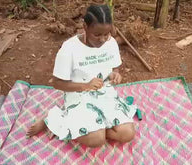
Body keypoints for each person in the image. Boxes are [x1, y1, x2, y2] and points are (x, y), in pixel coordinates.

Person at [27, 4, 137, 148]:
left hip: (104, 93)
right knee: (96, 140)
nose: (103, 39)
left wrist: (115, 74)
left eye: (107, 34)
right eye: (97, 34)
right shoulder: (69, 48)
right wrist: (85, 86)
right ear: (85, 27)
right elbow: (56, 83)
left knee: (127, 134)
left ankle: (97, 128)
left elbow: (114, 68)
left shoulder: (111, 44)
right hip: (78, 94)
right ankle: (55, 120)